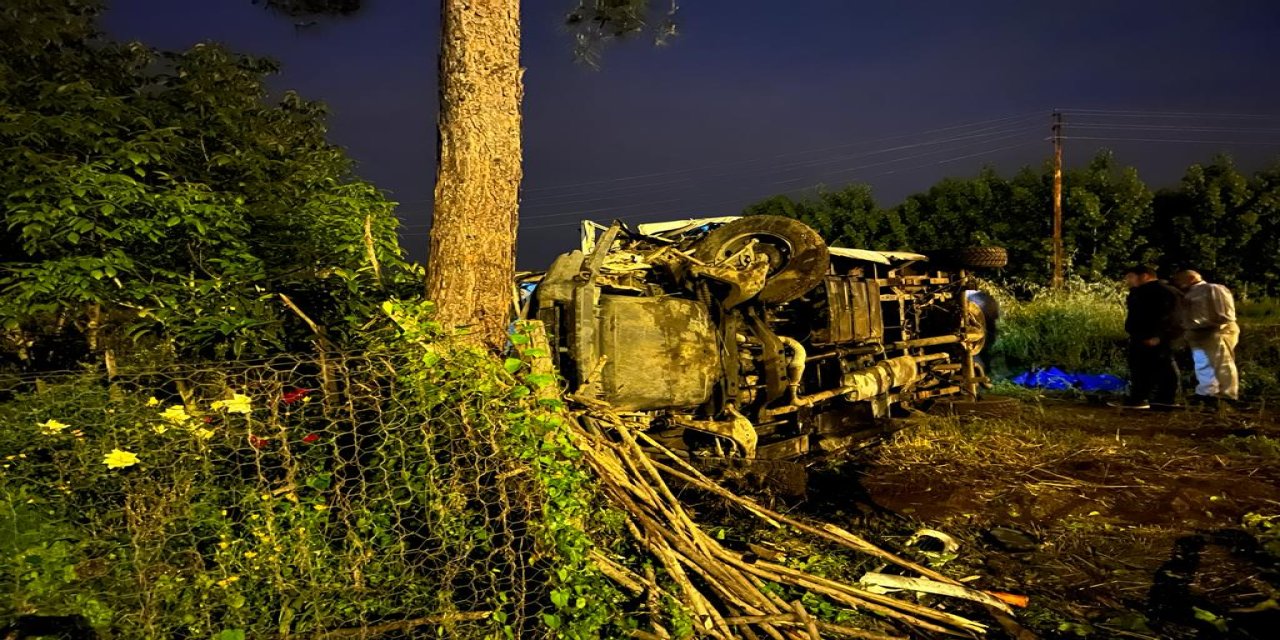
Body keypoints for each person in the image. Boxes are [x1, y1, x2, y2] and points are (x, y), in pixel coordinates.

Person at [1110, 265, 1181, 409]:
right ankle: (1142, 398)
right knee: (1140, 368)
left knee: (1163, 366)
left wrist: (1158, 335)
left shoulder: (1161, 292)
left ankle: (1164, 400)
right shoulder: (1142, 291)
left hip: (1155, 337)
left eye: (1131, 277)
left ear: (1144, 276)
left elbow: (1169, 316)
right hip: (1142, 336)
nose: (1128, 281)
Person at [1172, 270, 1240, 402]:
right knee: (1202, 362)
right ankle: (1206, 392)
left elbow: (1225, 313)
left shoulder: (1213, 288)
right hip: (1196, 331)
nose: (1177, 284)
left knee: (1222, 362)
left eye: (1179, 280)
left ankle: (1228, 394)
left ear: (1191, 278)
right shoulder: (1188, 293)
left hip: (1215, 330)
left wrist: (1218, 327)